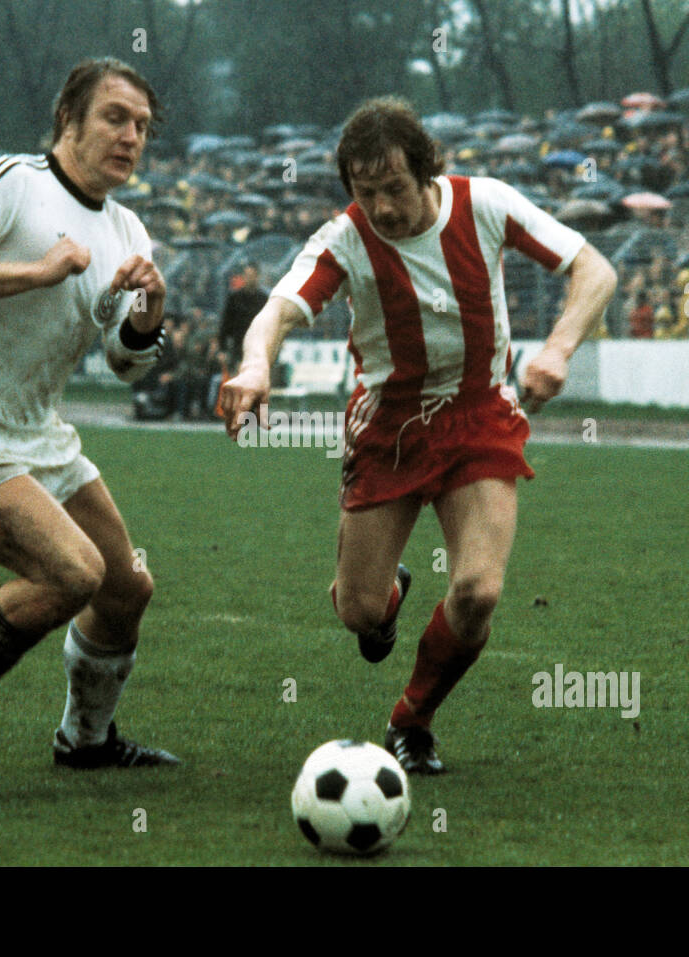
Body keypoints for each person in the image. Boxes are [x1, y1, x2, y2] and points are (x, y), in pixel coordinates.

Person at [220, 97, 616, 774]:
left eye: (394, 189)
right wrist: (256, 363)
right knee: (359, 612)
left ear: (429, 172)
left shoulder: (485, 203)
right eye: (365, 192)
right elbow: (277, 310)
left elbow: (595, 270)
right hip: (389, 429)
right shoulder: (345, 239)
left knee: (477, 593)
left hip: (479, 416)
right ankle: (385, 597)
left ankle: (412, 720)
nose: (381, 207)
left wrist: (558, 347)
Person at [0, 58, 179, 791]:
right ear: (68, 122)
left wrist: (149, 314)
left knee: (125, 588)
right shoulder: (11, 182)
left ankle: (85, 739)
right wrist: (36, 272)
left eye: (142, 125)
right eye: (115, 117)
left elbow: (127, 365)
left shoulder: (127, 228)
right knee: (73, 573)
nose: (131, 136)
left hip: (40, 435)